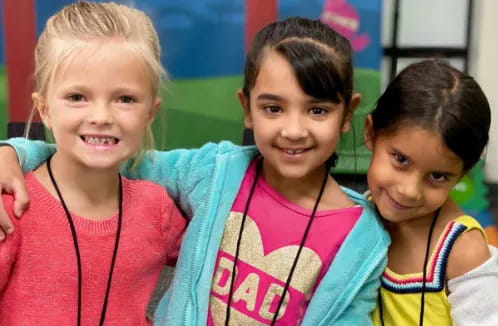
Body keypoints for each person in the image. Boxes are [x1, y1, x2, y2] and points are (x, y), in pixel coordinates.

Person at [0, 17, 389, 325]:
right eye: (273, 108)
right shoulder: (214, 171)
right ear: (246, 107)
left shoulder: (364, 238)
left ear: (347, 115)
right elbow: (104, 155)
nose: (293, 129)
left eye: (317, 110)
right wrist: (12, 152)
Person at [0, 2, 186, 324]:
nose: (101, 117)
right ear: (44, 109)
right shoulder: (11, 210)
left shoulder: (157, 210)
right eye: (77, 97)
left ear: (150, 114)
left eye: (125, 99)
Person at [364, 59, 498, 325]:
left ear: (462, 174)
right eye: (401, 160)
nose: (409, 191)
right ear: (370, 133)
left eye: (437, 176)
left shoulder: (461, 251)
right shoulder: (359, 215)